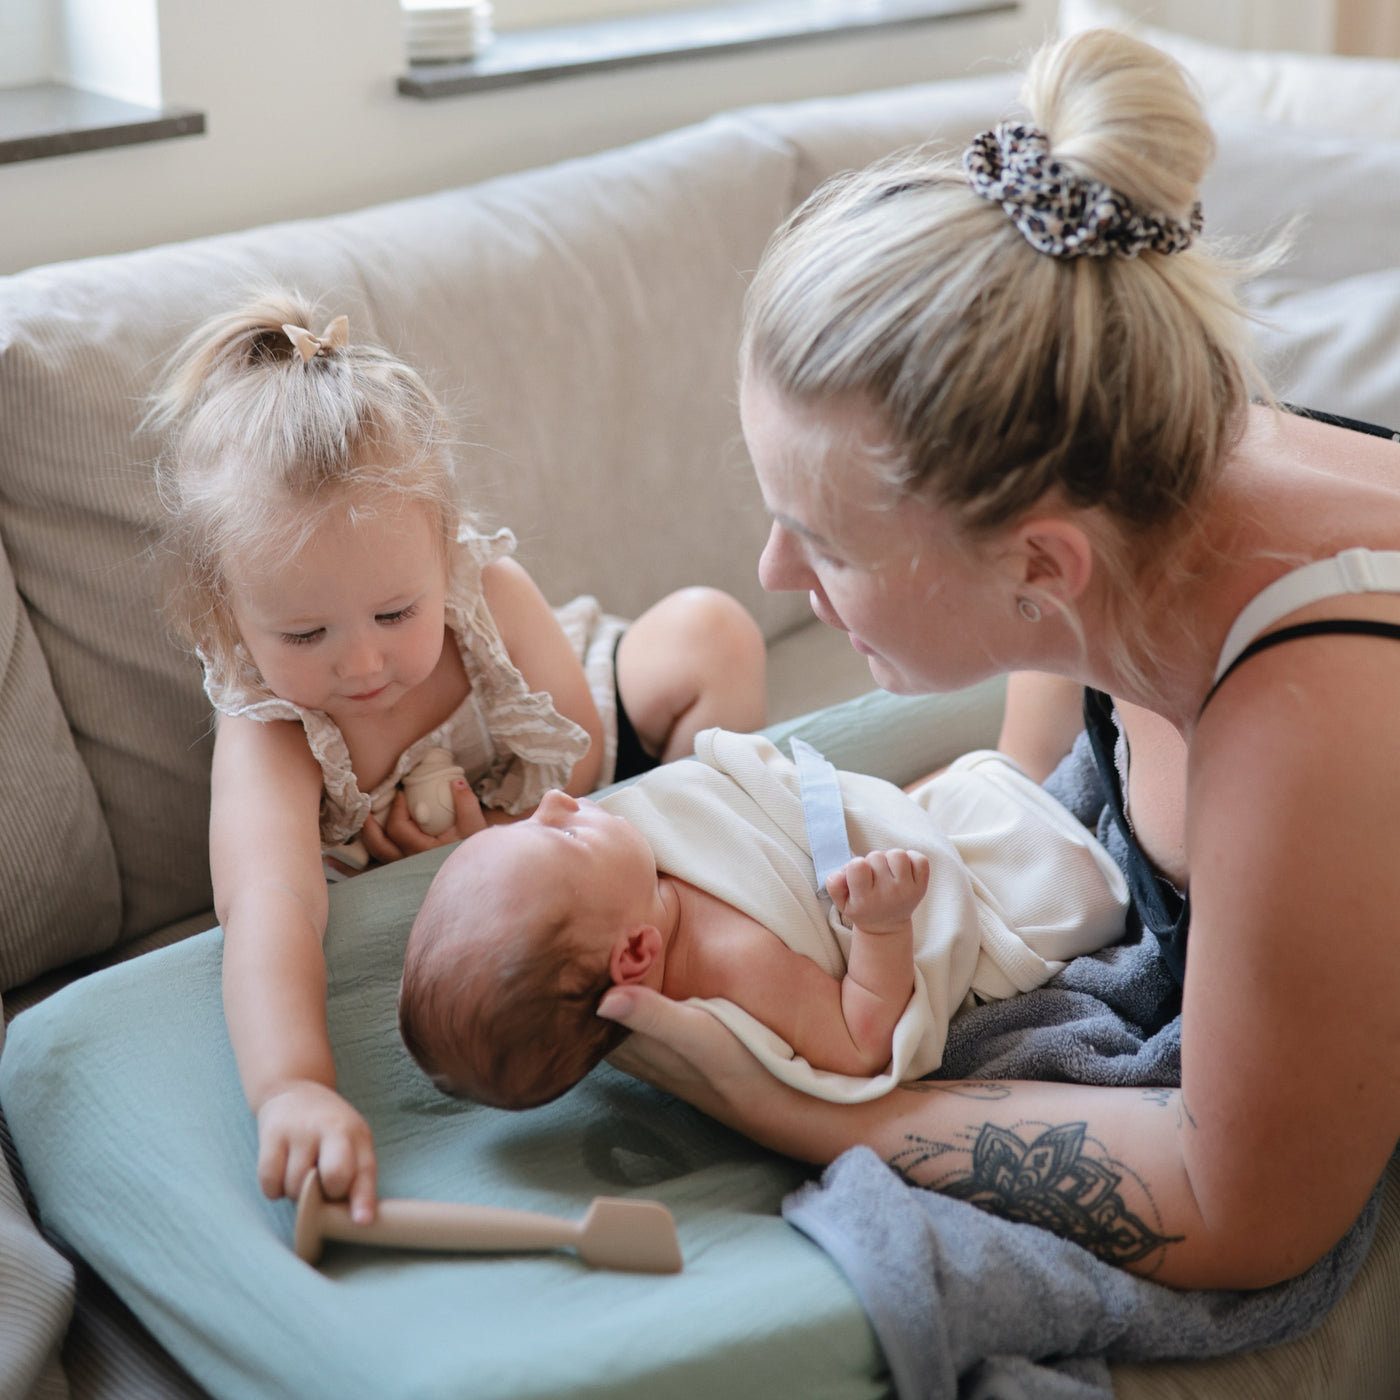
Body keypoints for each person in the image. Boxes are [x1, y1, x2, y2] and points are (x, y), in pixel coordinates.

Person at [593, 26, 1400, 1292]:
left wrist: (793, 1105)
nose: (774, 574)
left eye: (822, 541)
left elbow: (1241, 1206)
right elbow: (1034, 789)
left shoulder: (1307, 717)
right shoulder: (1110, 476)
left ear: (1037, 562)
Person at [152, 292, 767, 1224]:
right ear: (226, 618)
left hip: (565, 782)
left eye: (398, 613)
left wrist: (503, 842)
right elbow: (266, 908)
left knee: (712, 631)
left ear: (445, 557)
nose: (364, 664)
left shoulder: (489, 590)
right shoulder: (272, 725)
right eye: (306, 633)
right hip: (467, 886)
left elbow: (580, 748)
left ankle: (712, 873)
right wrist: (292, 1087)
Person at [397, 731, 1127, 1108]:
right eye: (564, 836)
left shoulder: (626, 888)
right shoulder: (729, 964)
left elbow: (767, 824)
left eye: (529, 822)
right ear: (635, 956)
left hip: (912, 822)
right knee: (1091, 845)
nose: (557, 803)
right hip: (985, 897)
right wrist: (881, 929)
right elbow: (860, 1041)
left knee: (1022, 773)